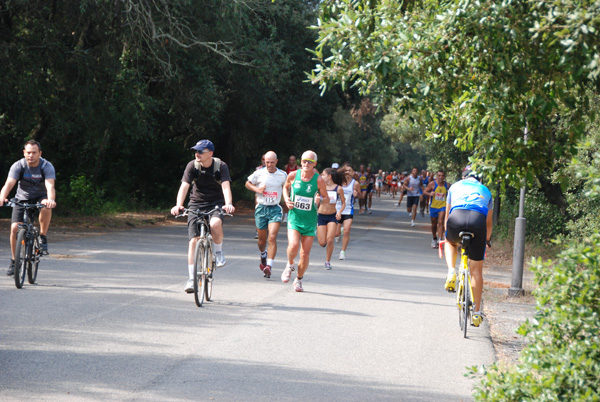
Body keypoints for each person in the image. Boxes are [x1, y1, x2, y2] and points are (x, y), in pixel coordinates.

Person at [170, 139, 235, 293]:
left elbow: (226, 187)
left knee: (215, 224)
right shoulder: (192, 165)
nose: (197, 154)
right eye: (196, 151)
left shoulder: (221, 166)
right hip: (196, 203)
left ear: (210, 153)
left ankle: (218, 252)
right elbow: (184, 186)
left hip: (216, 203)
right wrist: (178, 204)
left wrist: (229, 203)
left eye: (200, 151)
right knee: (193, 241)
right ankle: (192, 279)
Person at [443, 165, 493, 327]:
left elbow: (448, 215)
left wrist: (447, 233)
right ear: (480, 179)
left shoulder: (454, 187)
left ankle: (451, 271)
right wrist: (486, 240)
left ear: (463, 177)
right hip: (477, 221)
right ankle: (477, 313)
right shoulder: (486, 190)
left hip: (456, 218)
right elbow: (489, 224)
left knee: (450, 242)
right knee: (476, 270)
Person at [0, 140, 57, 275]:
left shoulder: (46, 166)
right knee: (15, 228)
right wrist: (2, 197)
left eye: (34, 153)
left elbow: (50, 186)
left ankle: (42, 236)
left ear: (40, 153)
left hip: (40, 196)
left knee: (46, 207)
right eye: (28, 153)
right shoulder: (18, 165)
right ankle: (15, 261)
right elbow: (9, 184)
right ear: (24, 153)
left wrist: (51, 200)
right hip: (22, 198)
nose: (31, 155)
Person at [281, 150, 330, 292]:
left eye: (310, 162)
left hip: (310, 221)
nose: (306, 164)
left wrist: (320, 199)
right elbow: (285, 187)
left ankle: (299, 279)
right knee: (294, 245)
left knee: (304, 254)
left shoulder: (318, 180)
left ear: (315, 164)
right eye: (304, 161)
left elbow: (326, 197)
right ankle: (290, 265)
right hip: (294, 218)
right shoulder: (293, 175)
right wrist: (287, 200)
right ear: (300, 162)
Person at [245, 151, 287, 278]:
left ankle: (269, 265)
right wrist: (257, 189)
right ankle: (263, 255)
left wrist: (288, 201)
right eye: (267, 162)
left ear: (276, 162)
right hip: (261, 208)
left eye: (272, 162)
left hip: (275, 209)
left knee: (272, 237)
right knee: (262, 241)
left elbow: (287, 188)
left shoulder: (282, 175)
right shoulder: (259, 173)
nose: (269, 165)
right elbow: (247, 183)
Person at [316, 168, 345, 270]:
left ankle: (327, 261)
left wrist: (339, 212)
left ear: (329, 176)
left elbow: (343, 202)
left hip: (332, 216)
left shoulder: (338, 188)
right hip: (321, 216)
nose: (321, 177)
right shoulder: (319, 187)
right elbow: (315, 202)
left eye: (323, 175)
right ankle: (325, 238)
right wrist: (317, 201)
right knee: (322, 242)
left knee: (330, 240)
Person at [335, 163, 361, 260]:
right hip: (337, 209)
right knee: (336, 233)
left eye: (350, 170)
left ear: (353, 172)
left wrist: (356, 194)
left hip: (348, 210)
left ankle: (343, 252)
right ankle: (338, 233)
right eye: (346, 170)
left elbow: (361, 195)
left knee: (347, 230)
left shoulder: (355, 183)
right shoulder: (338, 181)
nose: (348, 172)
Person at [423, 170, 448, 248]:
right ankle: (434, 238)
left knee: (441, 222)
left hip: (442, 206)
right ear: (437, 176)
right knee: (434, 224)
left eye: (442, 175)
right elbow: (424, 192)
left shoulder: (447, 185)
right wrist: (430, 193)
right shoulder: (432, 184)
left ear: (444, 176)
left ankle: (440, 239)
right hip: (433, 206)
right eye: (439, 175)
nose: (440, 177)